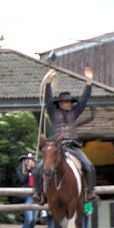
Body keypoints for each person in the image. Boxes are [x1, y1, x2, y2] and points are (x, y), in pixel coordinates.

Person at [32, 67, 97, 204]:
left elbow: (84, 100)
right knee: (38, 169)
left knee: (88, 165)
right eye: (65, 101)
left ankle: (90, 192)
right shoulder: (53, 112)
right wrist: (49, 83)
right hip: (56, 146)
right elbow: (48, 99)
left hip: (72, 145)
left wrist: (89, 83)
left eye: (68, 101)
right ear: (60, 103)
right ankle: (38, 194)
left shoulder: (75, 112)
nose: (67, 103)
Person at [17, 153, 38, 228]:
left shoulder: (35, 171)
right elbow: (22, 180)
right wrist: (28, 171)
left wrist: (34, 169)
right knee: (28, 219)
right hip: (26, 197)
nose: (29, 162)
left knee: (33, 221)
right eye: (27, 160)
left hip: (35, 197)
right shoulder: (19, 170)